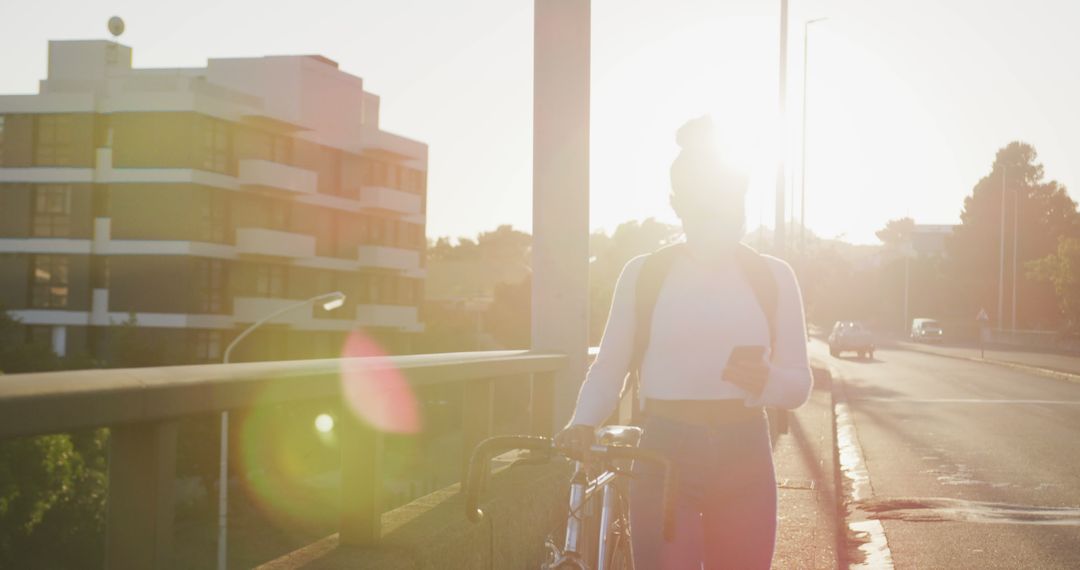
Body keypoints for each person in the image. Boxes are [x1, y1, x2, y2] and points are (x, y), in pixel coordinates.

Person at [554, 116, 813, 569]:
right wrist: (582, 423)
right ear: (678, 204)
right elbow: (609, 368)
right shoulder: (645, 274)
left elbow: (799, 385)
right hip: (662, 453)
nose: (722, 214)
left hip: (745, 454)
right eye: (706, 203)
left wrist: (767, 381)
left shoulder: (772, 277)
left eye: (732, 201)